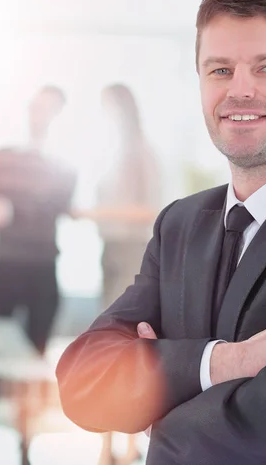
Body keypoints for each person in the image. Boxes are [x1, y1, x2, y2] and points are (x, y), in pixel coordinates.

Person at [56, 0, 266, 464]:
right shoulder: (178, 225)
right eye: (220, 70)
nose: (239, 91)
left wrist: (162, 408)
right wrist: (227, 364)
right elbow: (83, 383)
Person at [0, 86, 76, 465]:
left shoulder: (64, 165)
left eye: (49, 111)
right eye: (37, 109)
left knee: (32, 368)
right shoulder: (4, 158)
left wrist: (12, 209)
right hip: (5, 270)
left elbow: (53, 209)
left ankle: (26, 449)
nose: (41, 116)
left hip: (42, 273)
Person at [72, 83, 161, 465]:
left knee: (128, 351)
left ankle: (127, 448)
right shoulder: (112, 154)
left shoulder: (142, 154)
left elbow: (151, 211)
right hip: (109, 255)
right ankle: (108, 447)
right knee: (107, 349)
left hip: (131, 256)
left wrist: (99, 214)